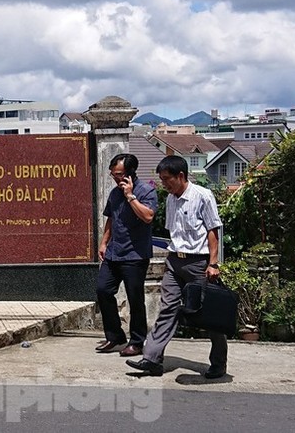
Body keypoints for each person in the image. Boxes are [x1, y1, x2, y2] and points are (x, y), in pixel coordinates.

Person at [126, 155, 226, 379]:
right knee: (168, 308)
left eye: (167, 179)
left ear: (180, 176)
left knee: (209, 313)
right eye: (161, 179)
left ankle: (218, 363)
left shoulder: (202, 196)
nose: (164, 184)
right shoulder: (171, 199)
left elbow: (213, 231)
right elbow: (173, 231)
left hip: (198, 262)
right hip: (174, 261)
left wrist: (213, 263)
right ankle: (152, 359)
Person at [95, 153, 157, 357]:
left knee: (135, 299)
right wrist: (104, 242)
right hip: (114, 252)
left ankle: (137, 341)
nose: (116, 178)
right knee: (103, 290)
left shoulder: (146, 191)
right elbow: (111, 219)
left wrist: (130, 196)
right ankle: (115, 336)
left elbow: (148, 216)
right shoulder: (114, 194)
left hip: (135, 255)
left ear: (131, 172)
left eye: (120, 174)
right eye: (113, 175)